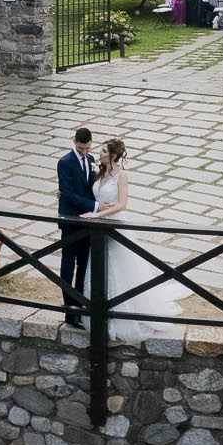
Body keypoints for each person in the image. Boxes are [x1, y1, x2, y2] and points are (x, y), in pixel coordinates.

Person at [82, 138, 186, 341]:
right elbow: (92, 193)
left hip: (115, 225)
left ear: (113, 155)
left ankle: (123, 313)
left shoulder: (122, 176)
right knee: (100, 268)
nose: (99, 153)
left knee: (120, 269)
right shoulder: (100, 171)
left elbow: (122, 205)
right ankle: (100, 310)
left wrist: (99, 216)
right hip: (98, 228)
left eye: (103, 151)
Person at [54, 126, 98, 328]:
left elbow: (92, 189)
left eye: (87, 148)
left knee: (83, 264)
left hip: (87, 222)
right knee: (68, 264)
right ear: (74, 142)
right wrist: (95, 206)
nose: (84, 152)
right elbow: (69, 193)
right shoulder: (64, 163)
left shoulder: (91, 160)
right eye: (81, 148)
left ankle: (79, 305)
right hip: (71, 220)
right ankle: (68, 309)